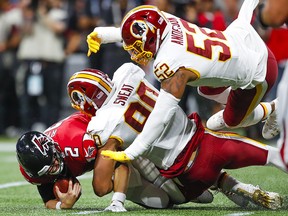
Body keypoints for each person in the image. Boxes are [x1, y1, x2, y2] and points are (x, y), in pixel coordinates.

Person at [67, 63, 283, 209]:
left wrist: (104, 153)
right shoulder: (127, 72)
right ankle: (228, 179)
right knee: (276, 155)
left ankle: (226, 183)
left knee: (127, 156)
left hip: (186, 180)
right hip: (210, 142)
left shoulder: (102, 124)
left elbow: (100, 187)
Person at [86, 0, 279, 140]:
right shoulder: (167, 21)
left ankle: (273, 108)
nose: (135, 52)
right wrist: (102, 34)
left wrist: (137, 150)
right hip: (241, 42)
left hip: (259, 68)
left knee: (226, 121)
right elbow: (141, 31)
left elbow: (162, 115)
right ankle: (242, 105)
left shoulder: (168, 62)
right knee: (205, 88)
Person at [16, 112, 181, 211]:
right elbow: (47, 200)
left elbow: (115, 152)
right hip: (106, 151)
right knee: (162, 202)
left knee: (182, 193)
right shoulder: (36, 170)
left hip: (123, 139)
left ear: (54, 147)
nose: (55, 168)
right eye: (49, 169)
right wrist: (63, 205)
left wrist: (118, 199)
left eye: (53, 161)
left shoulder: (76, 143)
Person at [258, 0, 288, 169]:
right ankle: (276, 105)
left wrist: (262, 10)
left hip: (282, 59)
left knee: (286, 155)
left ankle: (277, 106)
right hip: (276, 58)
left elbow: (274, 15)